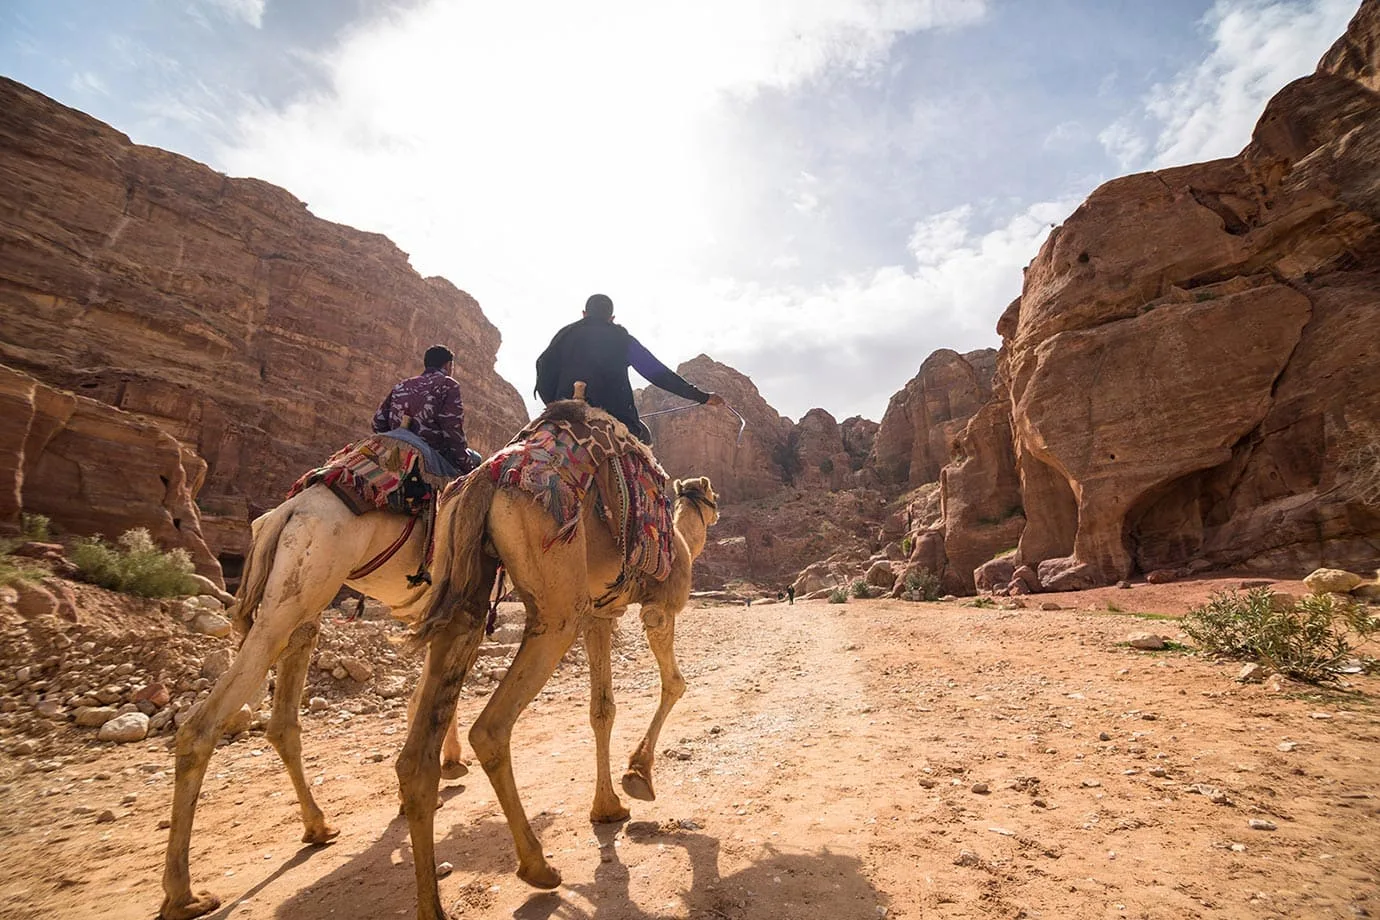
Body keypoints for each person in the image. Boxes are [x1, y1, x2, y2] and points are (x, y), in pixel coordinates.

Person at [535, 293, 725, 443]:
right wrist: (703, 397)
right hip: (615, 414)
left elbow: (542, 366)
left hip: (563, 410)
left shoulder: (565, 334)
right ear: (611, 317)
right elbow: (658, 373)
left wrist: (554, 404)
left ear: (584, 314)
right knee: (645, 439)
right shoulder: (621, 338)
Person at [372, 344, 479, 476]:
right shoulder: (448, 385)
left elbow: (378, 422)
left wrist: (394, 440)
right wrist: (469, 466)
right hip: (429, 451)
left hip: (393, 442)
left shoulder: (403, 384)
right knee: (476, 459)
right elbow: (452, 430)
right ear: (448, 365)